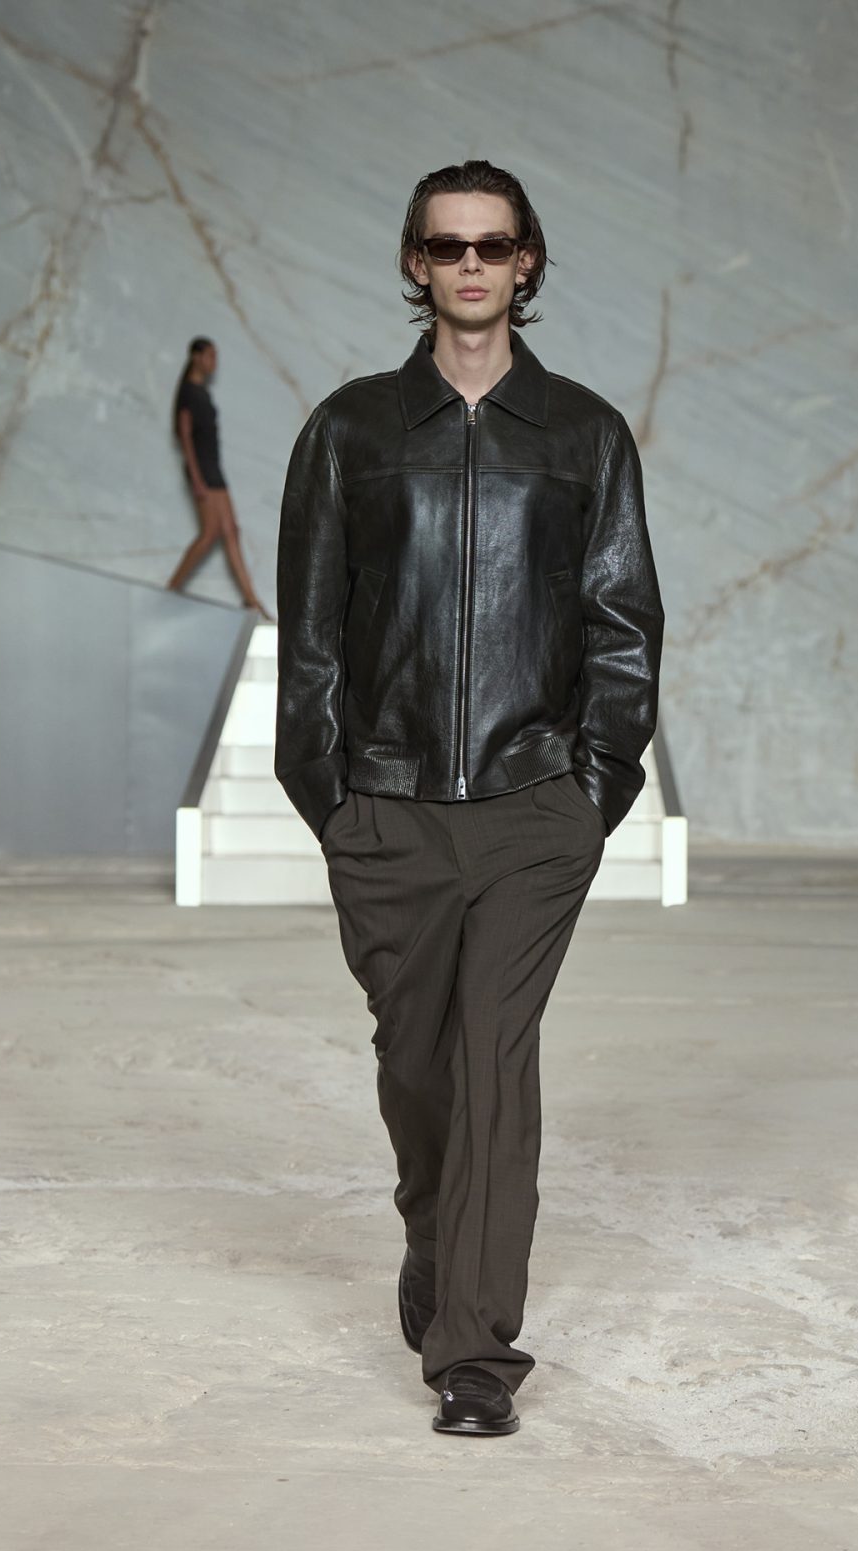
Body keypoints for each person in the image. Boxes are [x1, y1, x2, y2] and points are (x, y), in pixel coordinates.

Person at [274, 160, 664, 1436]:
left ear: (526, 260)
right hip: (385, 806)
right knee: (416, 1065)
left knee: (494, 1059)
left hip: (531, 801)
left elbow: (622, 625)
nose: (471, 267)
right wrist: (333, 803)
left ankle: (475, 1354)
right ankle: (434, 1232)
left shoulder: (583, 435)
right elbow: (310, 635)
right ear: (416, 264)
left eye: (493, 246)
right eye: (447, 248)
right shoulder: (349, 431)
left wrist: (591, 792)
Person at [166, 337, 270, 614]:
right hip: (202, 470)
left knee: (231, 530)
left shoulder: (202, 392)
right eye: (211, 355)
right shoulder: (189, 392)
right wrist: (197, 479)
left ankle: (251, 599)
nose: (215, 362)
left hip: (214, 468)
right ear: (196, 357)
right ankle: (171, 588)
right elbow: (185, 436)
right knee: (210, 533)